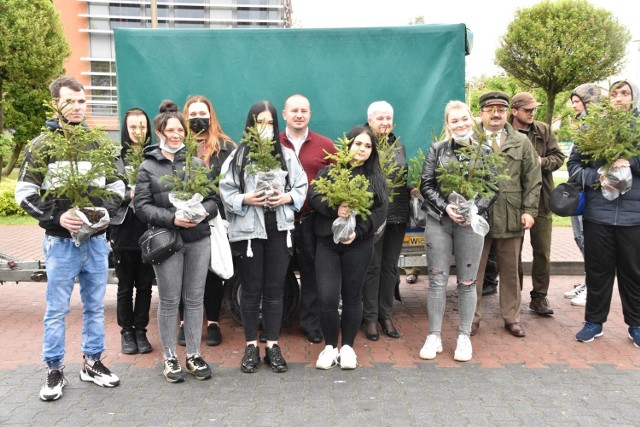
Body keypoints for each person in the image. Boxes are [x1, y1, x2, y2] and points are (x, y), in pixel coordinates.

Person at [15, 76, 124, 401]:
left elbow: (118, 188)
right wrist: (56, 216)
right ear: (56, 104)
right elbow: (24, 193)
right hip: (60, 244)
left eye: (81, 101)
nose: (77, 107)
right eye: (69, 101)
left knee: (94, 306)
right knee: (56, 310)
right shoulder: (41, 146)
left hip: (95, 243)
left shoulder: (100, 144)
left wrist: (103, 214)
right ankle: (53, 370)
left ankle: (92, 363)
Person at [219, 100, 308, 373]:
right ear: (251, 125)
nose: (265, 128)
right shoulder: (238, 156)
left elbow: (302, 184)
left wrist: (288, 197)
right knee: (251, 289)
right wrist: (246, 198)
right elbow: (225, 190)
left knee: (275, 289)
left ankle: (272, 345)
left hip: (279, 230)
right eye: (260, 123)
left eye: (270, 123)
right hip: (248, 234)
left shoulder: (285, 155)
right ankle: (250, 346)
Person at [135, 100, 218, 383]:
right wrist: (172, 218)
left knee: (195, 299)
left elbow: (214, 200)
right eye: (170, 130)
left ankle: (193, 354)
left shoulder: (196, 164)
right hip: (168, 242)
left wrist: (201, 212)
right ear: (159, 132)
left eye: (179, 130)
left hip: (198, 239)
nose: (176, 134)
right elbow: (141, 207)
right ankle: (170, 357)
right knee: (169, 301)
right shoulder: (148, 167)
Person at [418, 100, 496, 362]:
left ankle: (464, 336)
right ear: (448, 125)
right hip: (439, 222)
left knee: (467, 281)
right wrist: (445, 208)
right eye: (455, 121)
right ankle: (434, 335)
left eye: (464, 119)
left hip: (470, 225)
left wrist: (474, 210)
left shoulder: (484, 152)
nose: (461, 124)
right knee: (437, 279)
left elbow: (493, 186)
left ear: (472, 119)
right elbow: (426, 185)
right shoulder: (437, 150)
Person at [310, 125, 389, 370]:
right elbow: (314, 198)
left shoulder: (376, 179)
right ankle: (330, 346)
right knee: (327, 295)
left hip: (359, 245)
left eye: (368, 146)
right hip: (328, 244)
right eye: (358, 144)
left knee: (353, 296)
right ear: (348, 145)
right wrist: (336, 210)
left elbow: (380, 212)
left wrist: (358, 232)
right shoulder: (328, 172)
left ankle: (348, 348)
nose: (362, 149)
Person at [568, 79, 640, 348]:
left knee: (634, 273)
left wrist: (630, 162)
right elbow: (573, 165)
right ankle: (593, 322)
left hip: (635, 216)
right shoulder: (592, 128)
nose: (619, 98)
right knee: (598, 271)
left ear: (634, 97)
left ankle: (636, 325)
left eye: (625, 93)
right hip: (599, 214)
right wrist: (596, 176)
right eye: (615, 94)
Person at [472, 91, 542, 338]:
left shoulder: (521, 142)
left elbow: (533, 179)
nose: (496, 114)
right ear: (480, 113)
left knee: (511, 271)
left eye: (501, 109)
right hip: (477, 217)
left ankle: (511, 318)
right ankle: (472, 317)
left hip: (511, 214)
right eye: (490, 109)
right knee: (473, 271)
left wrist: (529, 211)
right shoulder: (470, 140)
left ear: (506, 113)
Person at [175, 95, 236, 347]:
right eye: (192, 114)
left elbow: (231, 183)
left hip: (212, 217)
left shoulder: (225, 147)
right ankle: (183, 322)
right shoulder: (177, 145)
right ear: (185, 117)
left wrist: (209, 206)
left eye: (203, 113)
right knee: (180, 272)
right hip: (180, 219)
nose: (197, 118)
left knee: (212, 272)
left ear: (210, 117)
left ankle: (212, 322)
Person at [280, 94, 337, 344]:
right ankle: (275, 322)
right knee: (277, 273)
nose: (299, 115)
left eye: (304, 110)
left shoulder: (325, 145)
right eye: (294, 111)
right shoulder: (273, 144)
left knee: (312, 274)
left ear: (310, 115)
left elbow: (337, 181)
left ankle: (310, 324)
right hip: (279, 220)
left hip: (311, 221)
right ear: (284, 115)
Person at [509, 92, 565, 316]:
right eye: (527, 109)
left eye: (534, 109)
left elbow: (559, 157)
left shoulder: (543, 130)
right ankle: (514, 296)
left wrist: (539, 162)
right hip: (513, 201)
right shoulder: (506, 132)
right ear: (514, 111)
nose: (532, 113)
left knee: (542, 251)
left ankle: (539, 297)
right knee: (512, 252)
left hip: (541, 199)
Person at [110, 107, 156, 355]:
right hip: (124, 230)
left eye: (142, 126)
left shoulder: (154, 157)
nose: (138, 131)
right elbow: (104, 194)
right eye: (133, 127)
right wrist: (126, 195)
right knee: (125, 286)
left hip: (149, 232)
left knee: (146, 285)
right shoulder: (116, 158)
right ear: (125, 129)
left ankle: (141, 330)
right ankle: (126, 332)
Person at [362, 101, 409, 340]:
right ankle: (370, 318)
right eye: (380, 118)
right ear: (370, 120)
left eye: (388, 118)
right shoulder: (364, 142)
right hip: (372, 217)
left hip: (397, 217)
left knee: (390, 268)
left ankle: (386, 315)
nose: (385, 123)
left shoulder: (398, 144)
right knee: (373, 267)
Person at [564, 83, 602, 307]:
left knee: (590, 241)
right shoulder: (582, 125)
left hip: (593, 195)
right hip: (579, 191)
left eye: (577, 102)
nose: (574, 106)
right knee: (580, 237)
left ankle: (594, 287)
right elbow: (574, 161)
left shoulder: (598, 127)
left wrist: (587, 177)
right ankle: (589, 281)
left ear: (590, 102)